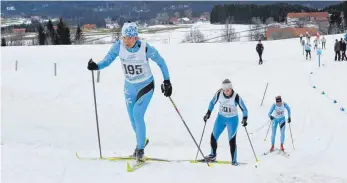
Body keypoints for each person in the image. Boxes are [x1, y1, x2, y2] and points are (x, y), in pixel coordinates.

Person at [87, 22, 172, 161]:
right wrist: (96, 66)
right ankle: (142, 140)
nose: (126, 41)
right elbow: (107, 61)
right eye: (124, 37)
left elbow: (161, 62)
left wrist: (167, 80)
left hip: (146, 85)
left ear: (136, 38)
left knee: (138, 114)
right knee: (132, 118)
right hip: (129, 87)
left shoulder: (145, 48)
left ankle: (140, 149)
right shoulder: (118, 46)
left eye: (129, 38)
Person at [202, 79, 248, 166]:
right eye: (224, 90)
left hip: (232, 120)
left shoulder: (236, 96)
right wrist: (208, 112)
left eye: (228, 90)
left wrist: (245, 118)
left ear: (231, 89)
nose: (226, 92)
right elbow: (212, 103)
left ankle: (234, 161)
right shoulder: (219, 93)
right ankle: (212, 156)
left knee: (232, 141)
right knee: (213, 137)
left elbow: (244, 109)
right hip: (221, 118)